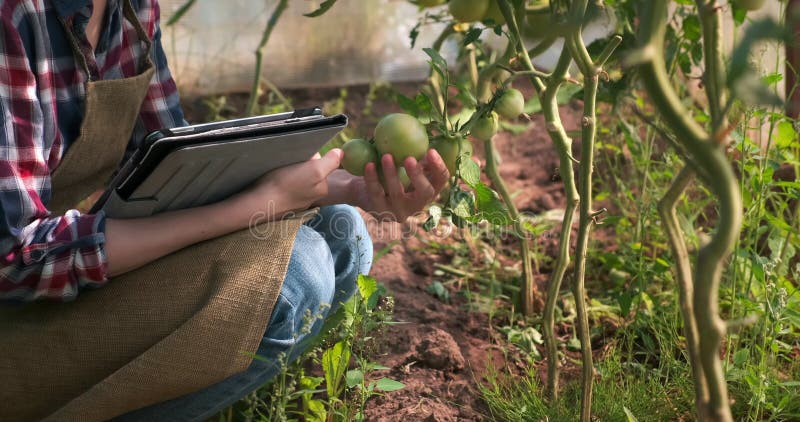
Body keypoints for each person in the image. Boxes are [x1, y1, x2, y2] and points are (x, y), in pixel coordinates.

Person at [0, 0, 449, 420]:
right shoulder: (15, 18)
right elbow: (16, 260)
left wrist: (351, 189)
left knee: (340, 228)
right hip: (15, 322)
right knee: (298, 275)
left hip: (52, 283)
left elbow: (174, 172)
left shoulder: (131, 9)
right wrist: (254, 206)